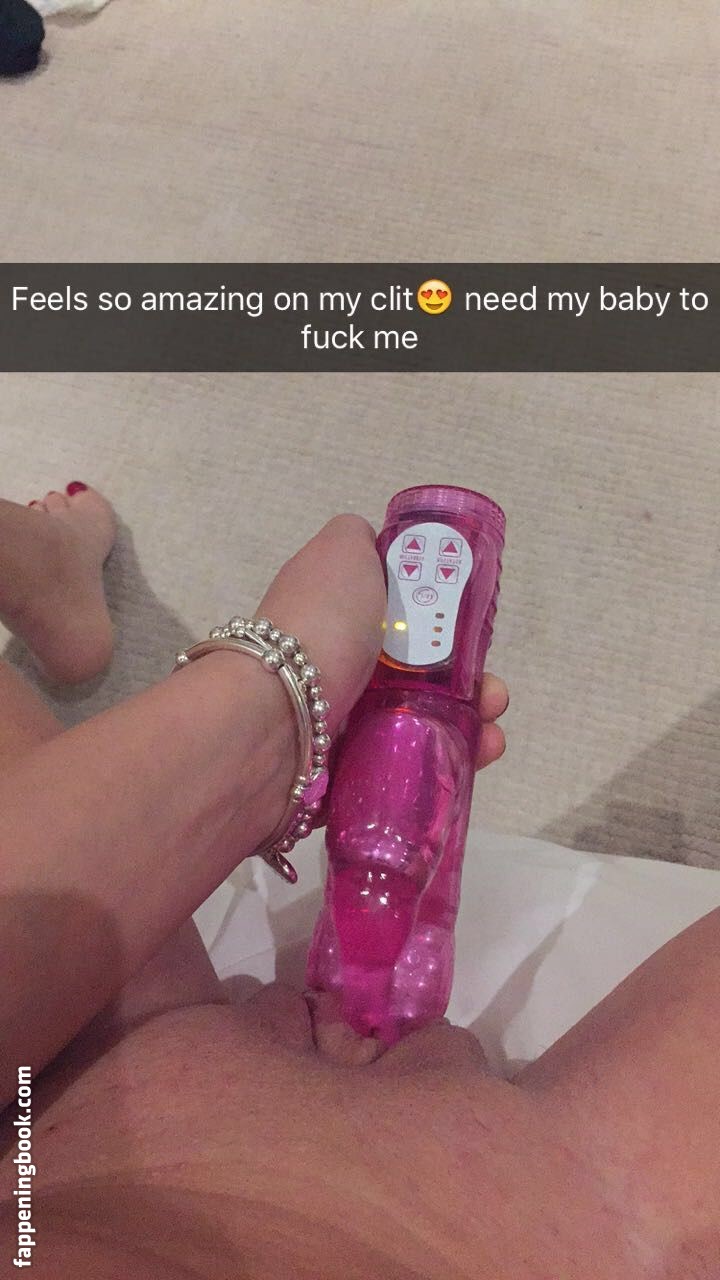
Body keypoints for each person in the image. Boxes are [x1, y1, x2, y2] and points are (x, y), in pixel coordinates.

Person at [0, 483, 716, 1279]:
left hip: (69, 1117)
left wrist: (273, 701)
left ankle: (36, 567)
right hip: (542, 1222)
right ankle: (237, 724)